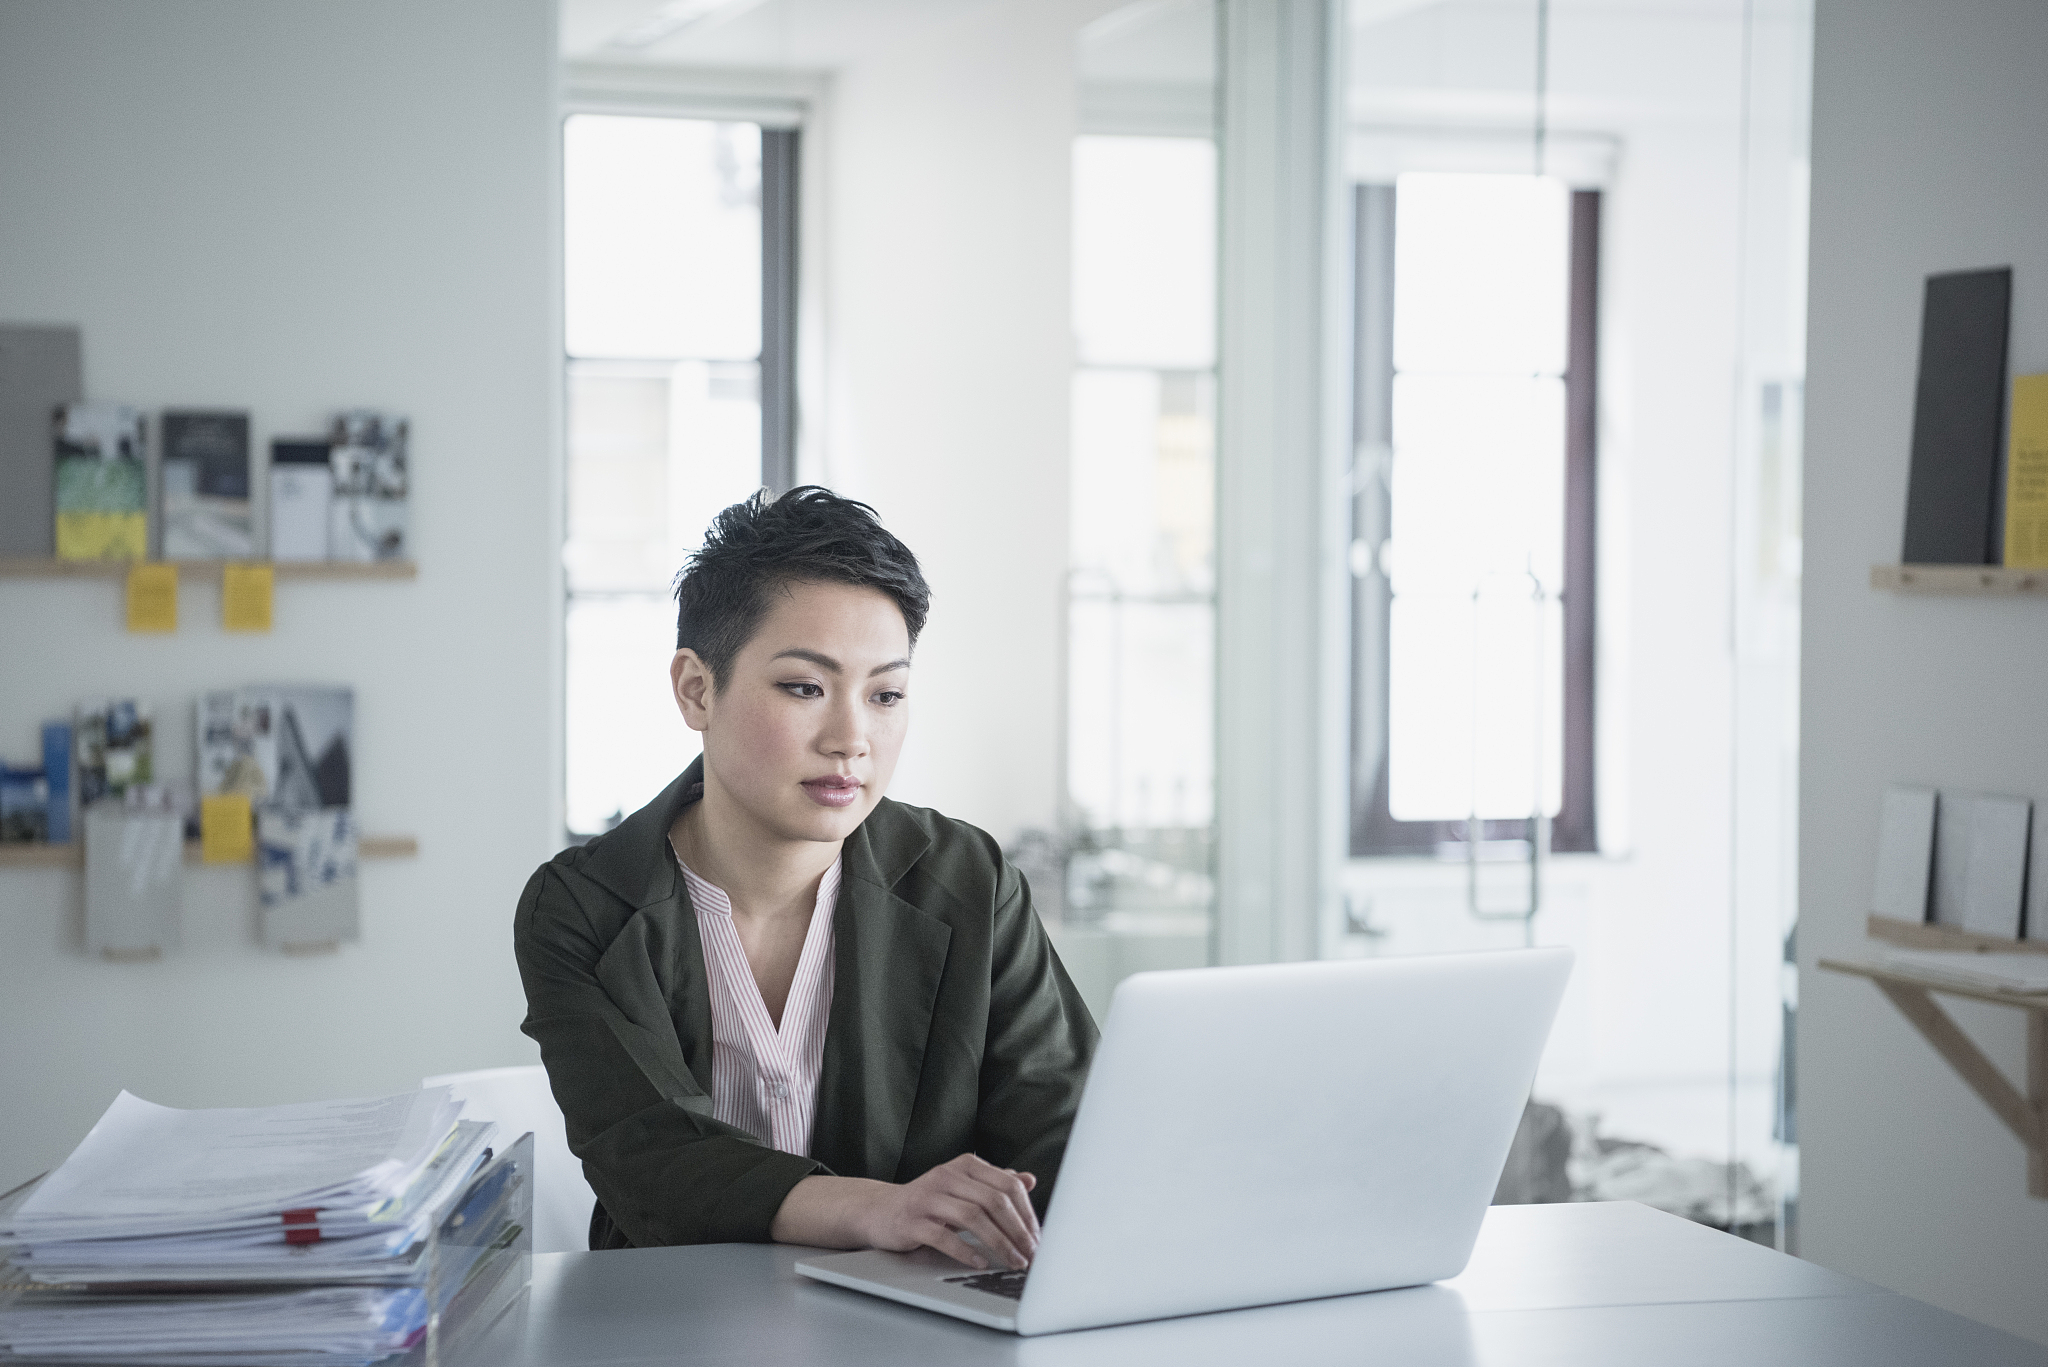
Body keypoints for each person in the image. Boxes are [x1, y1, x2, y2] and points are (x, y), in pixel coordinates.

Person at [515, 486, 1097, 1273]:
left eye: (886, 694)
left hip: (924, 1320)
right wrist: (882, 1207)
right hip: (674, 1317)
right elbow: (648, 1156)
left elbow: (1072, 1138)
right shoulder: (582, 906)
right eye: (804, 687)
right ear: (696, 689)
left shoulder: (971, 882)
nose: (852, 738)